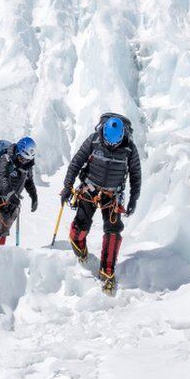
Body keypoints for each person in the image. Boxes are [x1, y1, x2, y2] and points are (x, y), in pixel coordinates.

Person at [61, 114, 143, 291]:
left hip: (112, 195)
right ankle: (79, 248)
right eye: (108, 141)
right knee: (80, 227)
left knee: (113, 231)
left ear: (122, 136)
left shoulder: (129, 149)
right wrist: (67, 186)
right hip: (89, 189)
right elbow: (76, 162)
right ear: (104, 133)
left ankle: (107, 271)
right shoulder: (94, 140)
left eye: (116, 142)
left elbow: (136, 175)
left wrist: (133, 199)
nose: (112, 145)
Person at [0, 137, 38, 245]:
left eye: (27, 159)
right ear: (18, 152)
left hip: (12, 203)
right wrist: (11, 194)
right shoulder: (6, 158)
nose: (24, 161)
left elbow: (29, 181)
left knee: (4, 231)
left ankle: (1, 255)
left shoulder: (27, 164)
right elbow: (3, 178)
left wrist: (34, 196)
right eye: (22, 158)